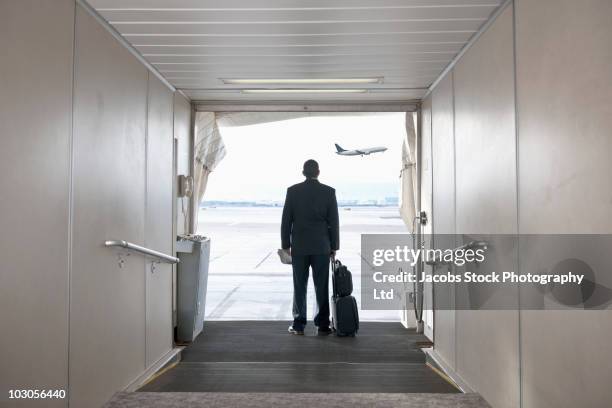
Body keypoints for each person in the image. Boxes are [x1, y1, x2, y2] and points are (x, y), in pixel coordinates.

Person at [281, 159, 340, 335]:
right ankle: (323, 324)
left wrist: (286, 245)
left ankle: (299, 324)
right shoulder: (329, 192)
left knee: (299, 285)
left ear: (303, 173)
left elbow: (286, 221)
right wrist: (334, 246)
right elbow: (334, 222)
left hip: (299, 246)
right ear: (318, 172)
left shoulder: (293, 191)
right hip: (322, 246)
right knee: (321, 285)